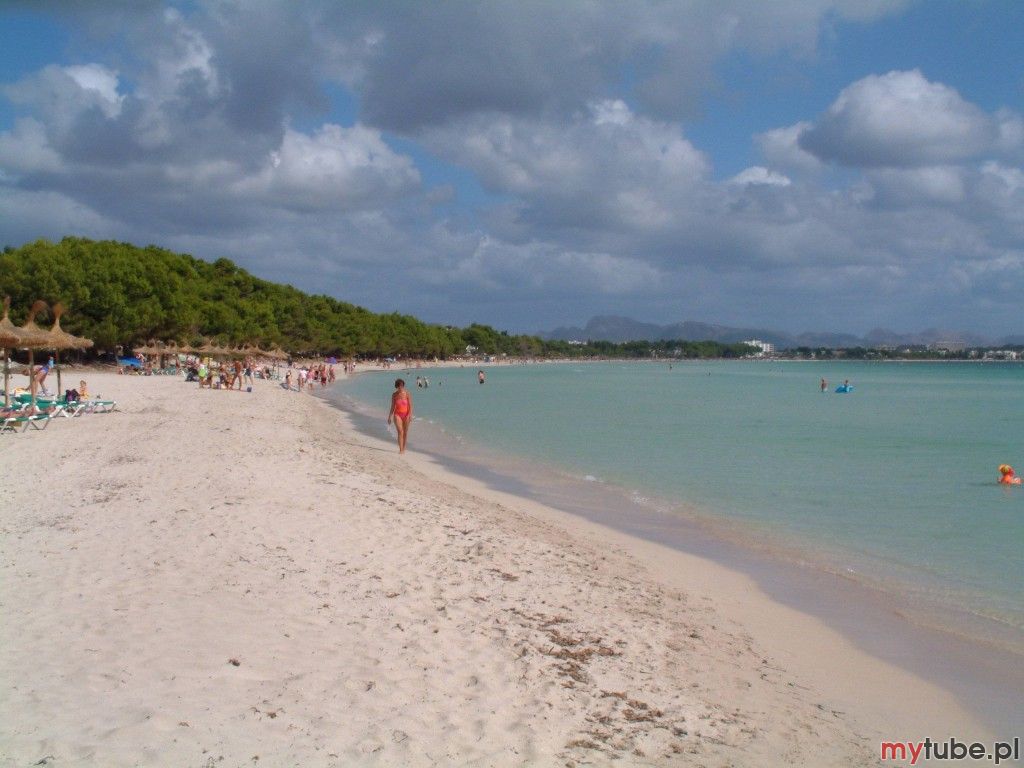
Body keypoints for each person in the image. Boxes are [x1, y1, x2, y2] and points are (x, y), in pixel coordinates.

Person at [387, 378, 413, 454]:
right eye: (399, 386)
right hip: (397, 415)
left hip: (406, 414)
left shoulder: (407, 393)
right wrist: (389, 417)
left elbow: (410, 405)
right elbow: (392, 406)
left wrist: (410, 415)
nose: (401, 387)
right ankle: (401, 449)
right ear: (397, 386)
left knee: (405, 432)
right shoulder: (394, 395)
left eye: (402, 386)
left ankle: (404, 448)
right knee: (400, 431)